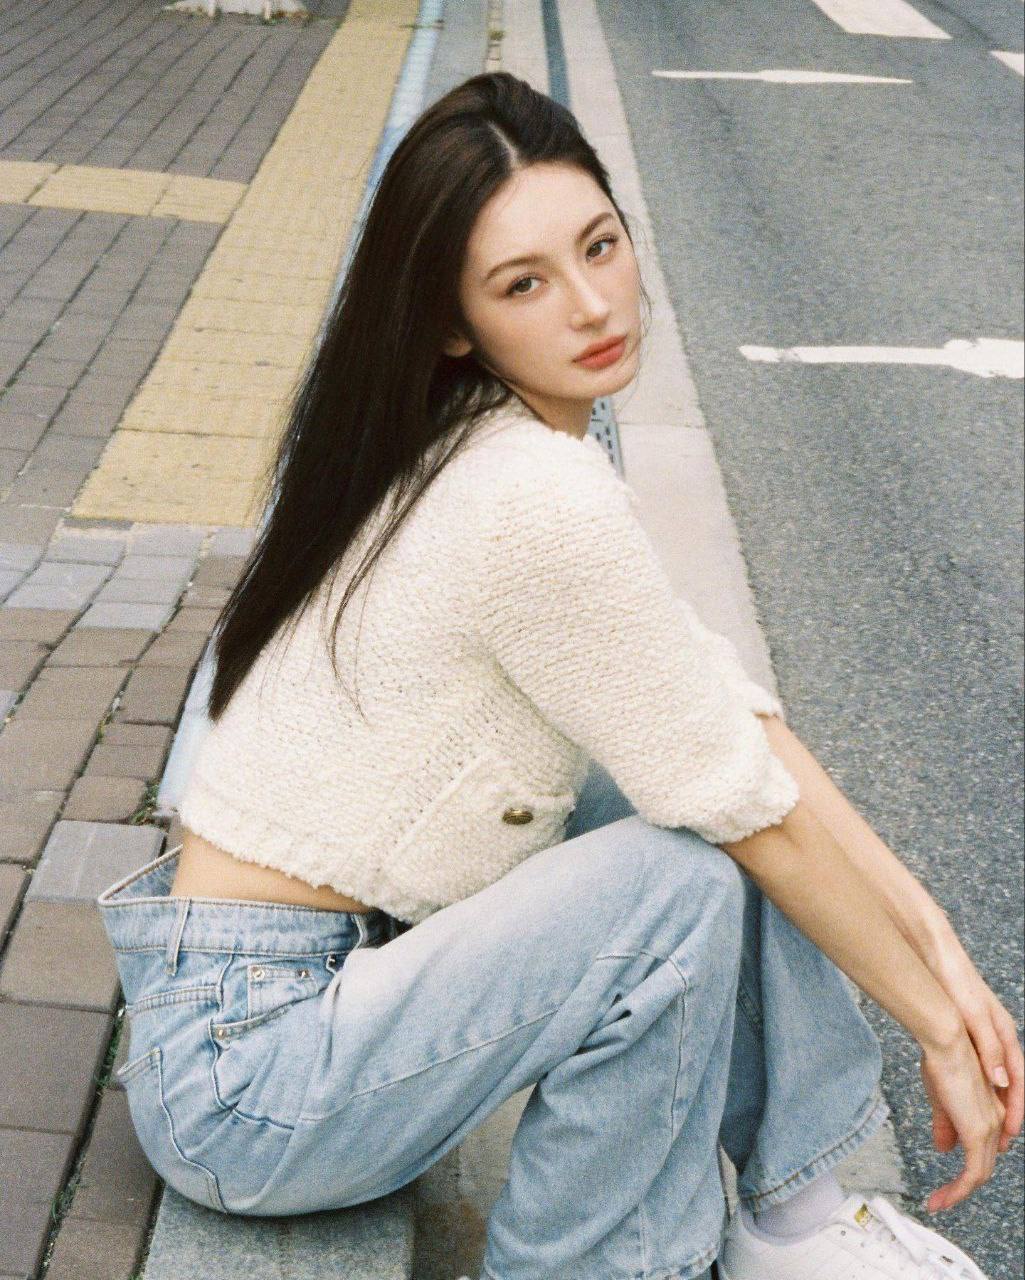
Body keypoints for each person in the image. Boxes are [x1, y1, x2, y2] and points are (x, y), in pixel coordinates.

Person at [96, 72, 1021, 1280]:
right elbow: (742, 802)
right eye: (522, 284)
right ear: (451, 322)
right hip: (250, 1078)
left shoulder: (482, 434)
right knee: (676, 879)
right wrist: (935, 1024)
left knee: (671, 788)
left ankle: (791, 1217)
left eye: (598, 245)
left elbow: (726, 721)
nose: (591, 304)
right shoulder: (526, 495)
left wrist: (935, 944)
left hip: (296, 998)